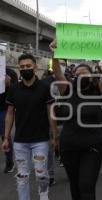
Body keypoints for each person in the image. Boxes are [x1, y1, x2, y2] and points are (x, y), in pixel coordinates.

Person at [49, 40, 102, 200]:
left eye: (84, 74)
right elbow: (57, 72)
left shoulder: (98, 91)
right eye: (77, 74)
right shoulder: (67, 89)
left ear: (91, 76)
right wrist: (54, 54)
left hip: (92, 147)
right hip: (69, 147)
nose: (80, 76)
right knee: (75, 185)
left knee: (86, 185)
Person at [1, 54, 57, 200]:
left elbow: (51, 113)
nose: (25, 69)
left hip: (41, 140)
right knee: (22, 177)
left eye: (28, 66)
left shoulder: (45, 88)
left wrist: (54, 136)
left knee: (41, 175)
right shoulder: (13, 89)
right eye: (22, 67)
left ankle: (44, 196)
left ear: (35, 67)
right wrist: (6, 138)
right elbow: (9, 114)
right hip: (20, 142)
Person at [0, 68, 18, 173]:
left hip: (3, 109)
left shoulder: (9, 72)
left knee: (4, 136)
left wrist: (9, 83)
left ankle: (9, 161)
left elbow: (17, 90)